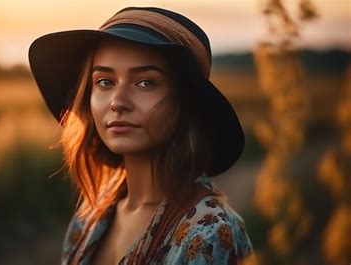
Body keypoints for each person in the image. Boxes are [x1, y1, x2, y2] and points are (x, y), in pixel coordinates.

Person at [28, 6, 253, 265]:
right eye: (104, 82)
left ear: (186, 102)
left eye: (145, 82)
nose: (118, 102)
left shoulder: (208, 234)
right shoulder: (91, 213)